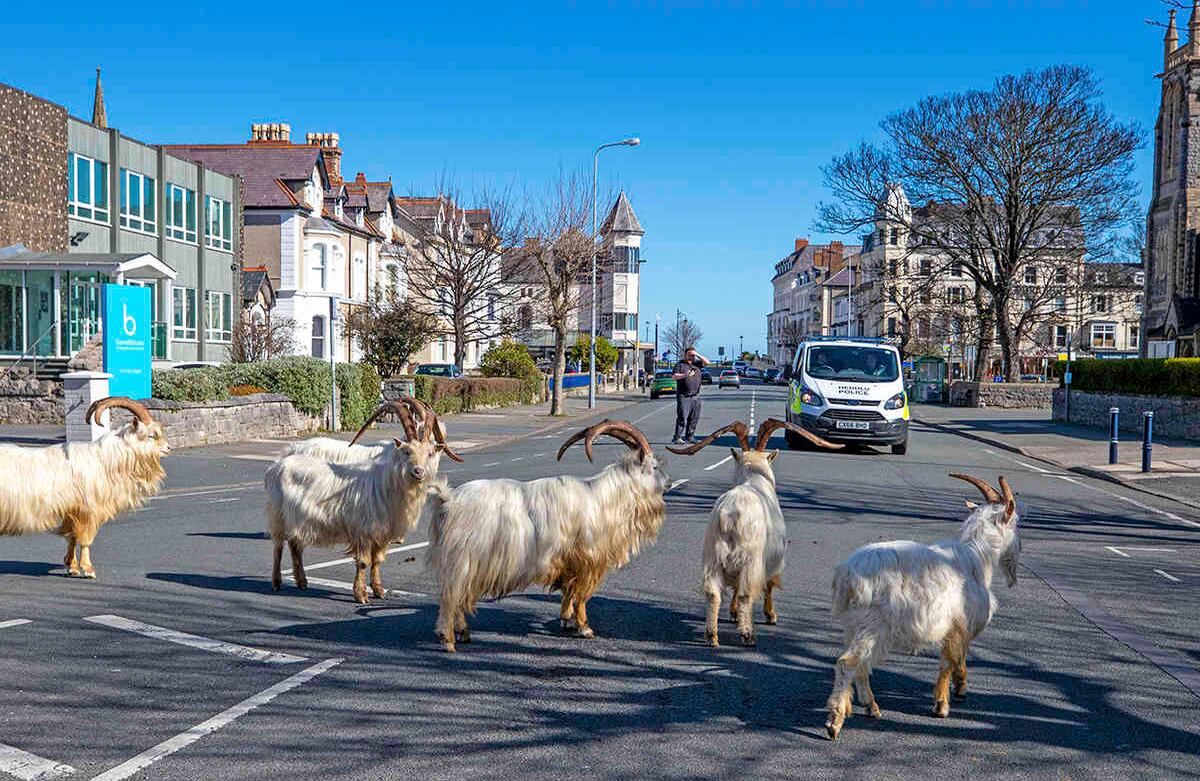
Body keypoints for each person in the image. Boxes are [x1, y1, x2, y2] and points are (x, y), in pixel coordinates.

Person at [672, 346, 710, 444]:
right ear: (685, 355)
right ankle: (677, 437)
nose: (691, 357)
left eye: (693, 355)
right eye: (690, 355)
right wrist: (685, 375)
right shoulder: (680, 365)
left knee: (694, 418)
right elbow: (674, 376)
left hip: (695, 396)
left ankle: (690, 436)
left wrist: (698, 355)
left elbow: (707, 362)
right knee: (682, 417)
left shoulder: (696, 363)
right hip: (684, 396)